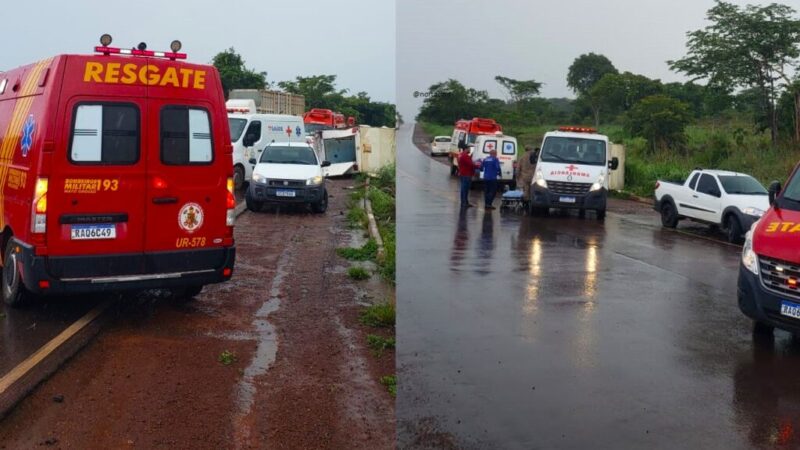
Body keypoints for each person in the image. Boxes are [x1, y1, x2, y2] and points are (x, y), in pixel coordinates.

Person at [457, 142, 476, 208]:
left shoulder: (460, 155)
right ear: (466, 149)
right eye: (469, 148)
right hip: (466, 174)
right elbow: (471, 164)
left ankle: (464, 202)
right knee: (465, 189)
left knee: (463, 189)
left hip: (462, 173)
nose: (470, 150)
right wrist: (478, 165)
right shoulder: (465, 156)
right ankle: (464, 202)